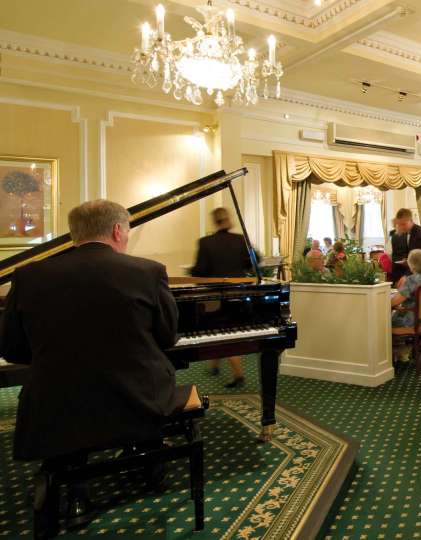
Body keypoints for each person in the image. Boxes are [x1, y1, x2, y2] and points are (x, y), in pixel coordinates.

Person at [1, 200, 200, 527]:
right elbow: (167, 339)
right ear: (118, 230)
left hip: (55, 401)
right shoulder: (147, 272)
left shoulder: (28, 276)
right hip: (137, 396)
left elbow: (13, 349)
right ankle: (149, 462)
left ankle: (76, 492)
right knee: (150, 378)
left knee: (69, 396)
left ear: (74, 234)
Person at [191, 207, 254, 388]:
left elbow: (200, 270)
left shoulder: (205, 242)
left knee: (223, 331)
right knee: (224, 328)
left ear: (214, 221)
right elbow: (252, 261)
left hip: (216, 294)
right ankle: (215, 365)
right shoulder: (240, 240)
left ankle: (239, 374)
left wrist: (191, 272)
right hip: (238, 292)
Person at [390, 249, 421, 363]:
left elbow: (394, 302)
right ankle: (404, 350)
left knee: (386, 321)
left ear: (412, 266)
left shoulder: (411, 280)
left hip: (412, 321)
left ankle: (400, 350)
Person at [389, 208, 421, 283]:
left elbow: (420, 261)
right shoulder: (410, 233)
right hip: (418, 274)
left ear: (411, 221)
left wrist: (407, 276)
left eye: (404, 224)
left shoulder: (419, 235)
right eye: (400, 224)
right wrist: (407, 260)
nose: (402, 227)